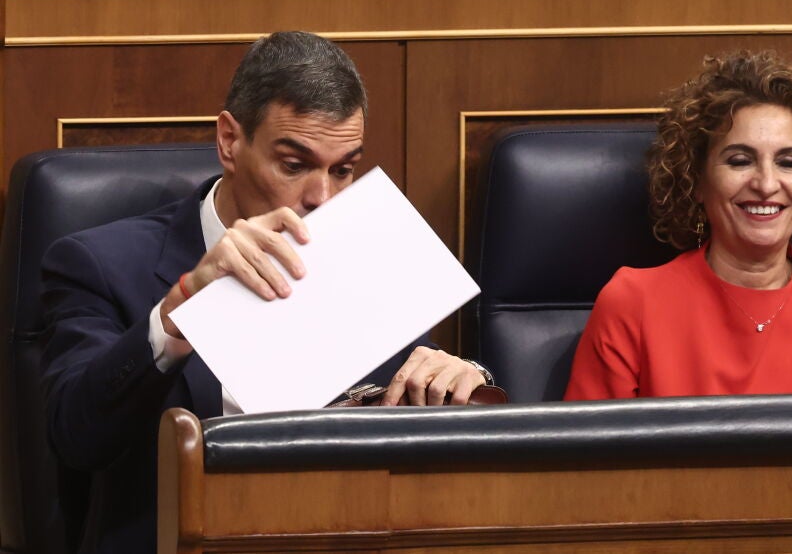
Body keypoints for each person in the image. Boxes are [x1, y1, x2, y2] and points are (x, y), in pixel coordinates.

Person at [40, 31, 490, 554]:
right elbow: (77, 438)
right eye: (294, 166)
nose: (323, 197)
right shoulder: (99, 264)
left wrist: (467, 380)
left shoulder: (365, 256)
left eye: (343, 169)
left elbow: (419, 407)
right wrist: (179, 311)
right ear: (230, 142)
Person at [564, 50, 792, 401]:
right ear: (697, 181)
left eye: (788, 162)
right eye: (740, 161)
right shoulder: (632, 302)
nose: (766, 184)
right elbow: (591, 438)